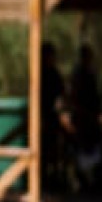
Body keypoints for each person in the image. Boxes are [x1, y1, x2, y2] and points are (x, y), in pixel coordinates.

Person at [69, 44, 102, 188]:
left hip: (89, 118)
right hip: (83, 118)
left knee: (92, 148)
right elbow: (75, 97)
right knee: (82, 149)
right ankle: (83, 180)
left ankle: (90, 180)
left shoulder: (89, 73)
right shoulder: (79, 74)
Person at [40, 42, 66, 186]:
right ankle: (43, 180)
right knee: (42, 151)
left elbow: (62, 95)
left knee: (55, 151)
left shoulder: (54, 74)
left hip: (51, 117)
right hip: (42, 117)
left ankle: (55, 179)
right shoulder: (40, 73)